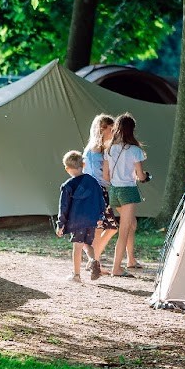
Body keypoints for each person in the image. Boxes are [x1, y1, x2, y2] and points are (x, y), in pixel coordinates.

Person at [105, 113, 152, 276]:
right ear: (132, 130)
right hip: (128, 191)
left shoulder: (109, 148)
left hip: (114, 192)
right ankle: (116, 268)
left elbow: (106, 176)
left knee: (131, 224)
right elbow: (140, 176)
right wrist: (146, 177)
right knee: (124, 230)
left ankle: (131, 260)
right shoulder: (135, 150)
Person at [56, 150, 108, 282]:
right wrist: (100, 216)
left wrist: (60, 224)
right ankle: (93, 260)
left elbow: (63, 207)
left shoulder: (68, 186)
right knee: (88, 244)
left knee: (77, 246)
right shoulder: (93, 182)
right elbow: (101, 200)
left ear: (67, 168)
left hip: (77, 221)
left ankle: (76, 275)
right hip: (91, 220)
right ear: (83, 165)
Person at [82, 113, 119, 273]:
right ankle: (94, 262)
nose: (113, 132)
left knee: (110, 227)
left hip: (100, 191)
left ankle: (94, 261)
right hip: (95, 192)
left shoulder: (100, 150)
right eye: (111, 129)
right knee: (99, 228)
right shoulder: (95, 149)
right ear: (101, 129)